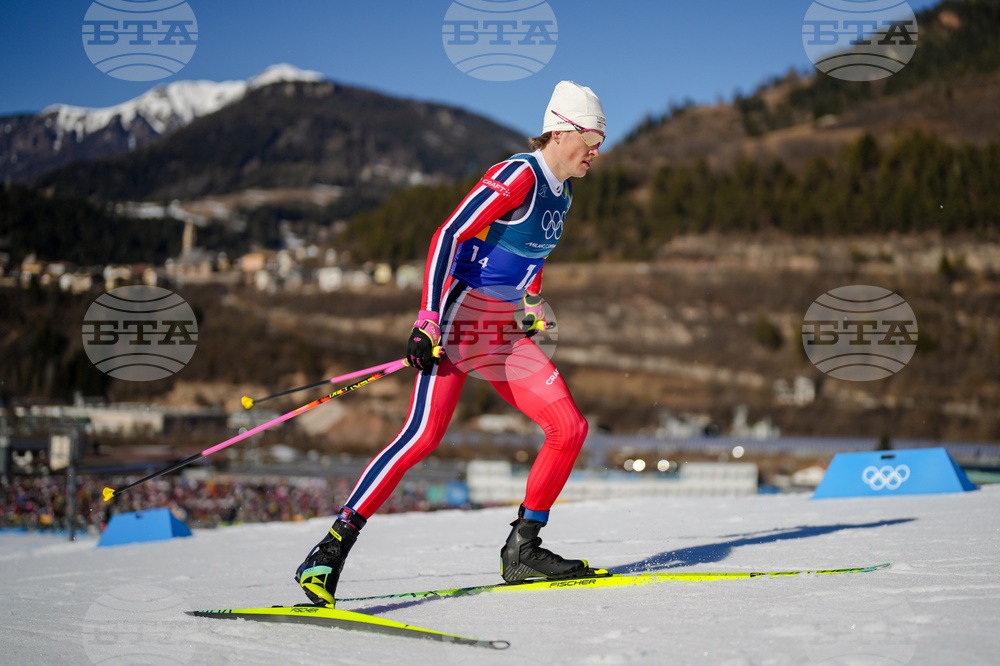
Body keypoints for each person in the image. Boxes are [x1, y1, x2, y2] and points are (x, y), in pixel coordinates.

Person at [296, 80, 607, 606]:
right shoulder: (518, 175)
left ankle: (523, 550)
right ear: (562, 130)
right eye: (593, 138)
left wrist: (530, 303)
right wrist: (427, 319)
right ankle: (330, 550)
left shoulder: (564, 192)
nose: (598, 150)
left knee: (568, 427)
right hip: (459, 327)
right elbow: (448, 235)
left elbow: (531, 255)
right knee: (423, 436)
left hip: (502, 334)